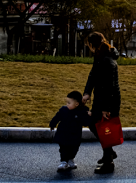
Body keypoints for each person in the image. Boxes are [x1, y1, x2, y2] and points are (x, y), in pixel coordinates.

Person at [82, 32, 121, 174]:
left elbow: (109, 86)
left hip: (108, 100)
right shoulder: (100, 56)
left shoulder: (107, 59)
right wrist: (87, 92)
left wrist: (106, 108)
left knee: (104, 128)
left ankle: (108, 161)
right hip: (101, 98)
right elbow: (92, 75)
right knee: (96, 124)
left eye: (88, 45)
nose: (88, 48)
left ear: (92, 45)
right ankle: (108, 153)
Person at [49, 91, 91, 172]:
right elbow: (57, 117)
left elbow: (86, 122)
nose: (67, 104)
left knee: (74, 148)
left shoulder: (81, 112)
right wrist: (52, 124)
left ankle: (71, 159)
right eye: (67, 102)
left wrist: (89, 115)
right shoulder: (63, 110)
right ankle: (63, 161)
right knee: (63, 148)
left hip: (75, 135)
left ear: (77, 104)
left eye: (69, 102)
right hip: (63, 134)